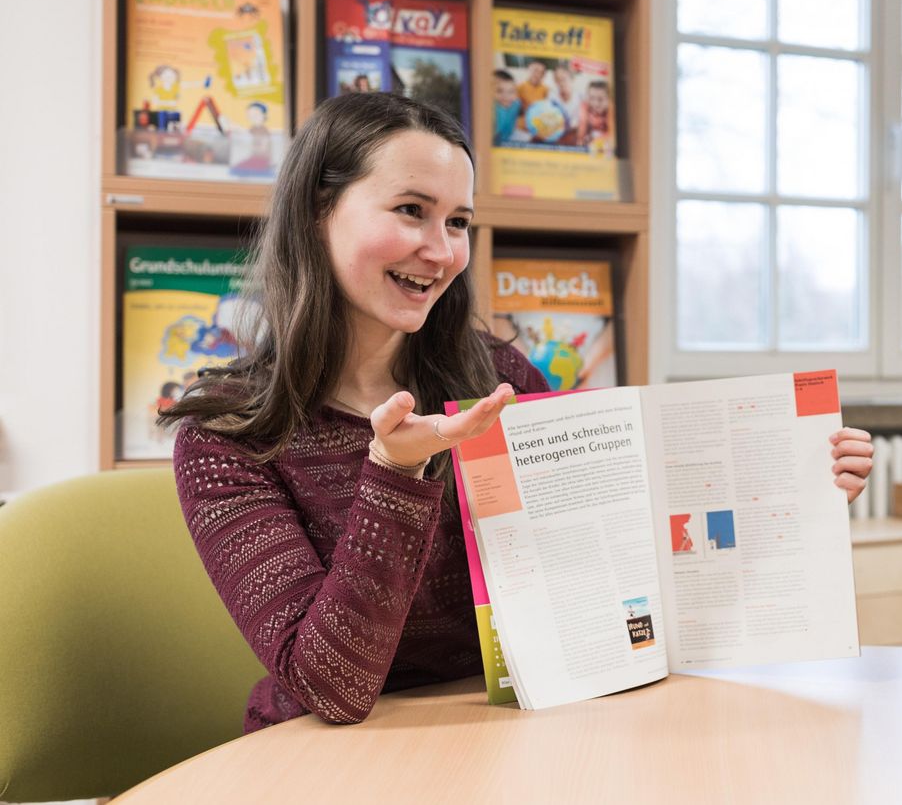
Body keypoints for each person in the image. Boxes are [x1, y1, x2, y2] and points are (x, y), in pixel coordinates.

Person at [160, 92, 874, 732]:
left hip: (517, 728)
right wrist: (396, 472)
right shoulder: (228, 437)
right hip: (330, 761)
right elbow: (332, 688)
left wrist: (788, 485)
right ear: (318, 213)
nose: (440, 251)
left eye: (460, 221)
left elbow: (623, 549)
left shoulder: (494, 375)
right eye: (411, 210)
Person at [492, 69, 521, 144]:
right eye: (499, 91)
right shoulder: (493, 108)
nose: (506, 96)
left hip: (511, 136)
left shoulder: (516, 104)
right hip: (496, 140)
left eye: (511, 91)